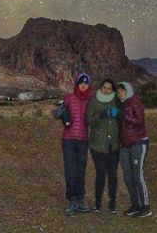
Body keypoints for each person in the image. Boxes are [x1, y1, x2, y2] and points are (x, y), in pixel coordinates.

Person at [116, 81, 151, 218]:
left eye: (122, 91)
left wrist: (123, 116)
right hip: (125, 144)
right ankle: (136, 205)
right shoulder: (121, 104)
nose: (120, 94)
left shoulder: (135, 102)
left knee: (137, 176)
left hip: (138, 142)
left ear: (128, 90)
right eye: (118, 92)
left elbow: (139, 121)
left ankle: (145, 207)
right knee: (128, 177)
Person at [86, 78, 121, 214]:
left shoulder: (116, 101)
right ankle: (97, 203)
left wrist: (118, 114)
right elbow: (88, 120)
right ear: (100, 88)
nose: (106, 90)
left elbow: (122, 118)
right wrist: (100, 115)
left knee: (112, 174)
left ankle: (112, 203)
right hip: (97, 144)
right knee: (101, 173)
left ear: (112, 90)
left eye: (109, 88)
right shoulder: (94, 101)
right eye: (104, 88)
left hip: (114, 144)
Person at [60, 72, 92, 215]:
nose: (83, 85)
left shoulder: (91, 100)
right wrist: (58, 112)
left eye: (86, 83)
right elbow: (59, 113)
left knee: (81, 170)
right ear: (77, 84)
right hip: (68, 140)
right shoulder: (69, 98)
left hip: (83, 140)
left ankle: (80, 199)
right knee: (70, 170)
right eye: (81, 83)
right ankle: (72, 200)